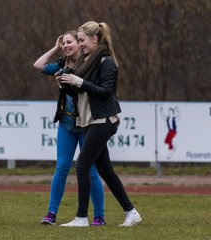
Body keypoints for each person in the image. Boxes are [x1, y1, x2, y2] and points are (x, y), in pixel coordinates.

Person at [56, 21, 142, 227]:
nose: (80, 44)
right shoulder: (86, 62)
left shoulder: (106, 62)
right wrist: (65, 84)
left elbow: (105, 92)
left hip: (104, 120)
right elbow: (81, 92)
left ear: (94, 39)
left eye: (82, 40)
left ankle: (82, 217)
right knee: (105, 169)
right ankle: (131, 212)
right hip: (89, 120)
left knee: (82, 164)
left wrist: (79, 82)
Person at [33, 31, 106, 226]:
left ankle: (99, 216)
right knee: (62, 167)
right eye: (63, 43)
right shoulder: (61, 64)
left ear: (79, 43)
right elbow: (38, 65)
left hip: (85, 124)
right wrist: (55, 48)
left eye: (69, 42)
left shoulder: (88, 63)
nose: (66, 45)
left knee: (90, 170)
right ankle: (51, 213)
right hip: (66, 123)